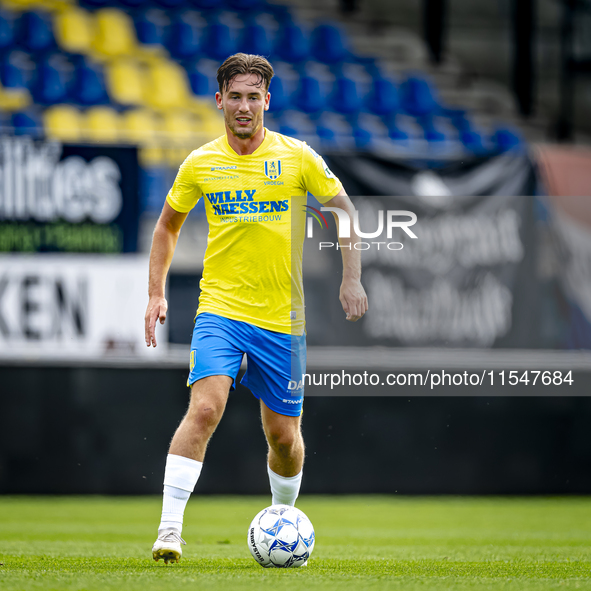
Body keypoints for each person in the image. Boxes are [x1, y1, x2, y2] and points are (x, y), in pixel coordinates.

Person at [144, 53, 368, 564]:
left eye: (254, 96)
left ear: (267, 100)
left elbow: (344, 211)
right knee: (205, 408)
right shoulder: (201, 163)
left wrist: (351, 277)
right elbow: (166, 226)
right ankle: (169, 531)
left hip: (281, 320)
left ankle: (281, 520)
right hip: (219, 308)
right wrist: (156, 293)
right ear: (219, 100)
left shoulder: (298, 157)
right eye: (235, 96)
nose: (244, 106)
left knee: (284, 436)